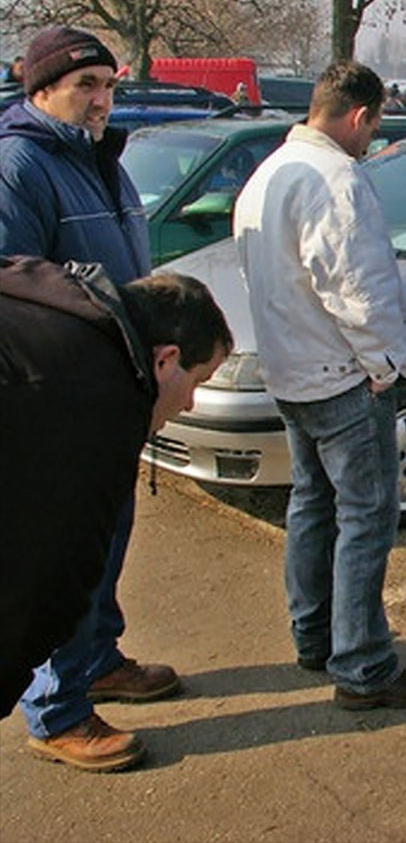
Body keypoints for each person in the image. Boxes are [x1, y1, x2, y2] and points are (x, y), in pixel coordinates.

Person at [0, 25, 184, 771]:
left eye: (109, 85)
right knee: (70, 549)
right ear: (41, 90)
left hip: (117, 387)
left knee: (107, 544)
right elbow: (12, 283)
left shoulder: (100, 159)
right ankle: (57, 709)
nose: (103, 100)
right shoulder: (22, 162)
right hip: (65, 399)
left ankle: (96, 658)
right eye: (86, 86)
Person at [234, 60, 406, 710]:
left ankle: (316, 635)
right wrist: (384, 367)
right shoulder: (336, 181)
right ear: (359, 115)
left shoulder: (266, 175)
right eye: (372, 129)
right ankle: (363, 666)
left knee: (314, 504)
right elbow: (362, 291)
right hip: (343, 379)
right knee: (366, 517)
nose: (371, 142)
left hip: (293, 374)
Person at [0, 258, 232, 737]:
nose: (189, 404)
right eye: (197, 383)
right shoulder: (101, 401)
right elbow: (52, 578)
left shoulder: (61, 295)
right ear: (166, 359)